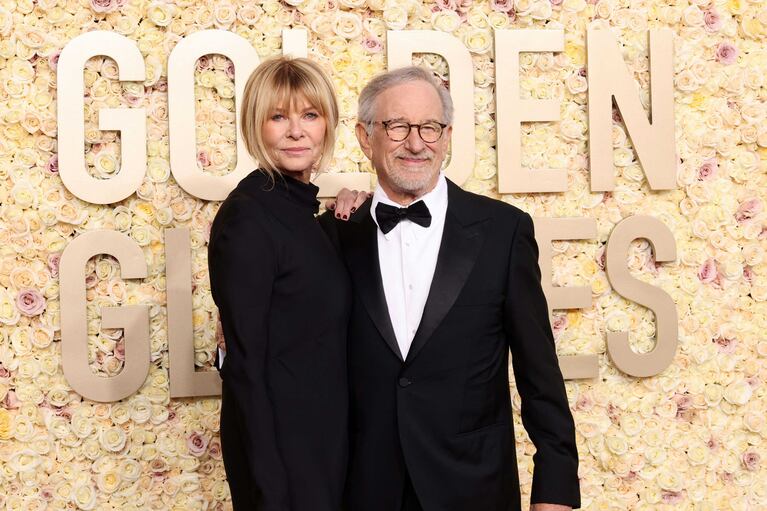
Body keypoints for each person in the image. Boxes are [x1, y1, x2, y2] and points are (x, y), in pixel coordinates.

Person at [320, 66, 580, 511]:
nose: (417, 143)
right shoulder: (330, 237)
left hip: (474, 488)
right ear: (365, 138)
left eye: (430, 127)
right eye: (397, 126)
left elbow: (540, 376)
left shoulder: (504, 231)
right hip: (361, 491)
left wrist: (554, 495)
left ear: (447, 135)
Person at [208, 56, 362, 511]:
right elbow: (246, 369)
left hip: (322, 447)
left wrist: (345, 223)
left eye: (309, 115)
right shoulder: (247, 217)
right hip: (283, 464)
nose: (296, 131)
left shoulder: (302, 215)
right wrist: (270, 487)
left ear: (328, 124)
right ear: (257, 125)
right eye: (279, 117)